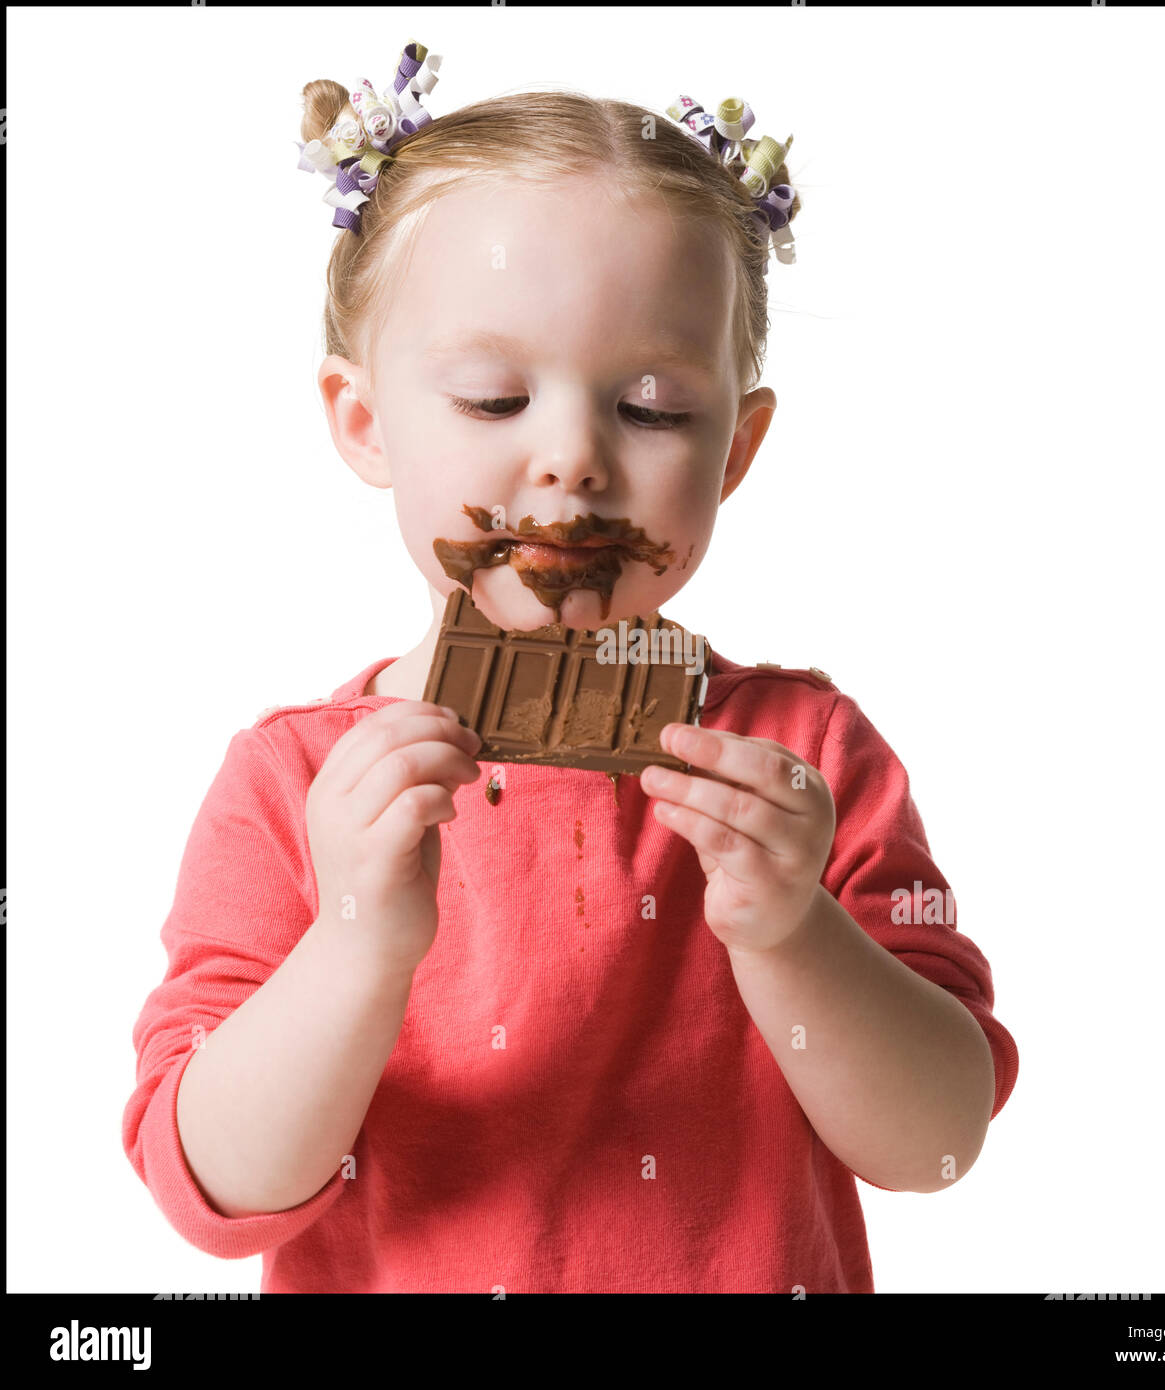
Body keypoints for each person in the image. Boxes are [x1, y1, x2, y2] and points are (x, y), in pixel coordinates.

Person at [123, 40, 1018, 1293]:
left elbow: (934, 1141)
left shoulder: (803, 760)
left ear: (737, 446)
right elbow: (213, 1187)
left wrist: (790, 930)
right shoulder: (292, 784)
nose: (574, 459)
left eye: (652, 407)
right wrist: (353, 939)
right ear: (365, 420)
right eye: (493, 398)